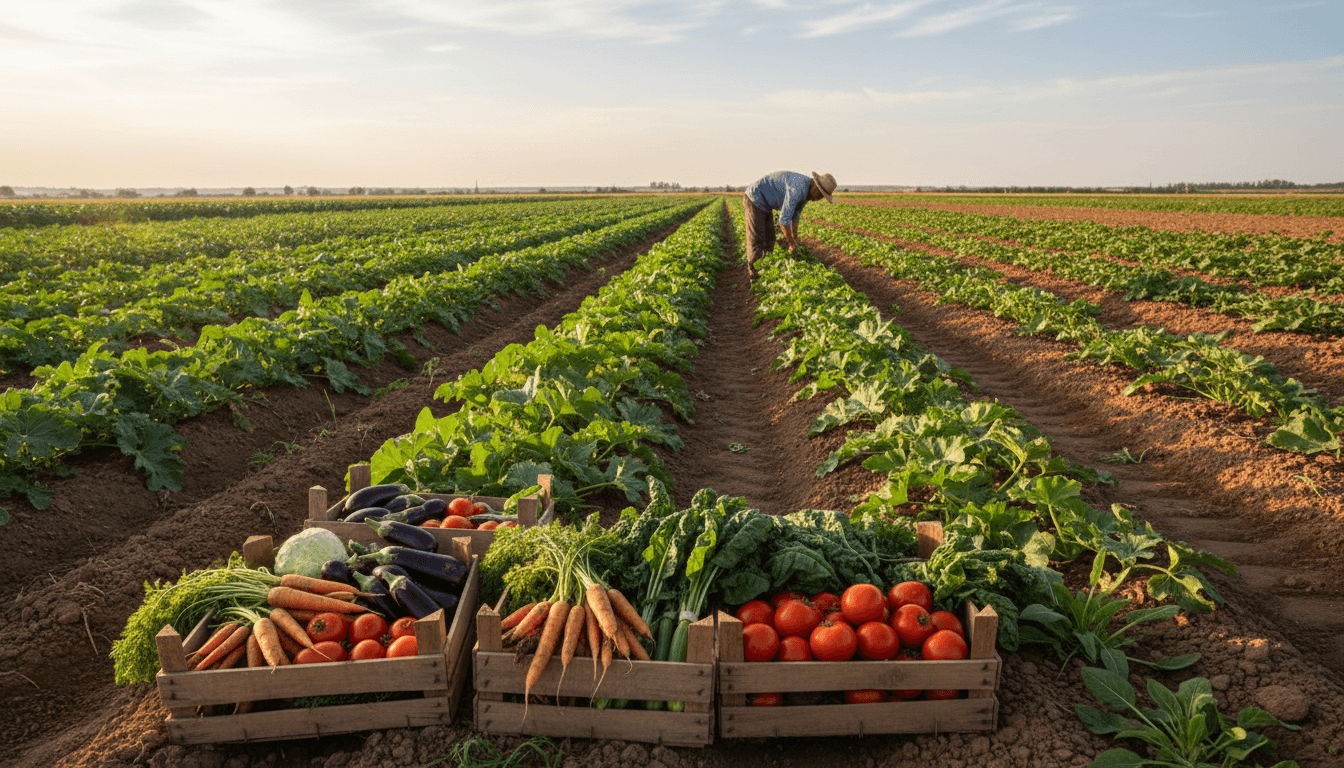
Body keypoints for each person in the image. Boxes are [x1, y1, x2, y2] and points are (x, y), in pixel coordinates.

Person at [742, 170, 837, 279]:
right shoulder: (797, 189)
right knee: (757, 240)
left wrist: (794, 239)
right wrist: (791, 244)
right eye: (821, 195)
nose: (819, 199)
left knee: (770, 240)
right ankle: (755, 277)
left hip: (765, 204)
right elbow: (783, 220)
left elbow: (795, 216)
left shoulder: (806, 194)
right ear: (816, 187)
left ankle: (766, 273)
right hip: (754, 198)